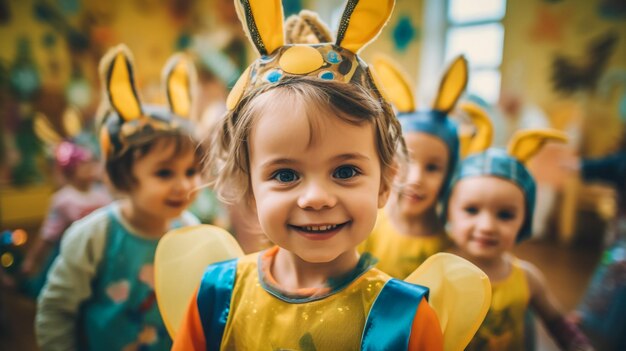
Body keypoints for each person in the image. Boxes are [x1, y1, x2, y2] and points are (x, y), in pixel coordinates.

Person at [172, 1, 444, 349]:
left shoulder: (406, 321)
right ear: (250, 189)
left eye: (345, 171)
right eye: (285, 175)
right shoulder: (215, 298)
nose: (316, 197)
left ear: (385, 182)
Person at [35, 45, 202, 351]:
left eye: (192, 171)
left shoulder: (191, 229)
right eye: (164, 173)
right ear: (121, 176)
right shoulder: (94, 236)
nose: (184, 185)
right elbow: (56, 310)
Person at [443, 126, 594, 351]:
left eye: (505, 215)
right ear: (449, 212)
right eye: (472, 210)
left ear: (524, 221)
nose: (487, 227)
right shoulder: (439, 271)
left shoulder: (528, 279)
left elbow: (557, 322)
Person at [358, 54, 468, 278]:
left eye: (432, 168)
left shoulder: (449, 249)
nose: (416, 177)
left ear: (449, 175)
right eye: (406, 160)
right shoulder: (369, 224)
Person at [21, 109, 112, 298]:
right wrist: (31, 260)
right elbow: (48, 235)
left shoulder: (102, 193)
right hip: (73, 255)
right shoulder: (64, 199)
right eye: (84, 164)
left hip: (101, 257)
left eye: (92, 163)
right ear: (71, 169)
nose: (91, 168)